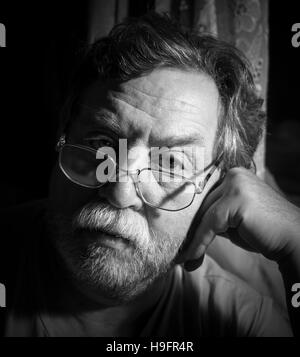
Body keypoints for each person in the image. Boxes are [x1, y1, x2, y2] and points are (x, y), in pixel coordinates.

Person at [1, 12, 299, 337]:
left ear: (215, 191)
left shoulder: (244, 323)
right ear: (64, 135)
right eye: (101, 142)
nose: (120, 192)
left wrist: (296, 241)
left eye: (170, 163)